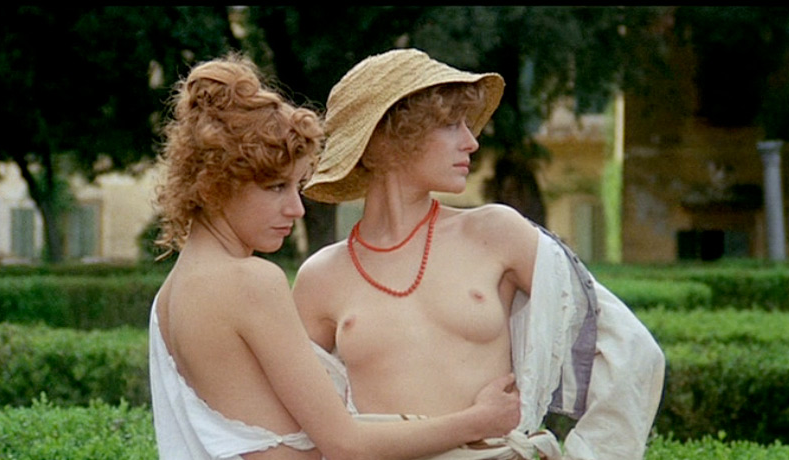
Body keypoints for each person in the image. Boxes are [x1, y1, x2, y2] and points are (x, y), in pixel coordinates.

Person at [147, 52, 522, 460]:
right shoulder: (251, 281)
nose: (296, 208)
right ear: (212, 184)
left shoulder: (167, 300)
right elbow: (346, 445)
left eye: (297, 186)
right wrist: (479, 420)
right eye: (276, 188)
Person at [295, 48, 666, 460]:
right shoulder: (320, 278)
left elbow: (633, 352)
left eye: (467, 125)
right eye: (450, 125)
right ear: (385, 139)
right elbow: (295, 424)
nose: (471, 142)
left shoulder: (497, 233)